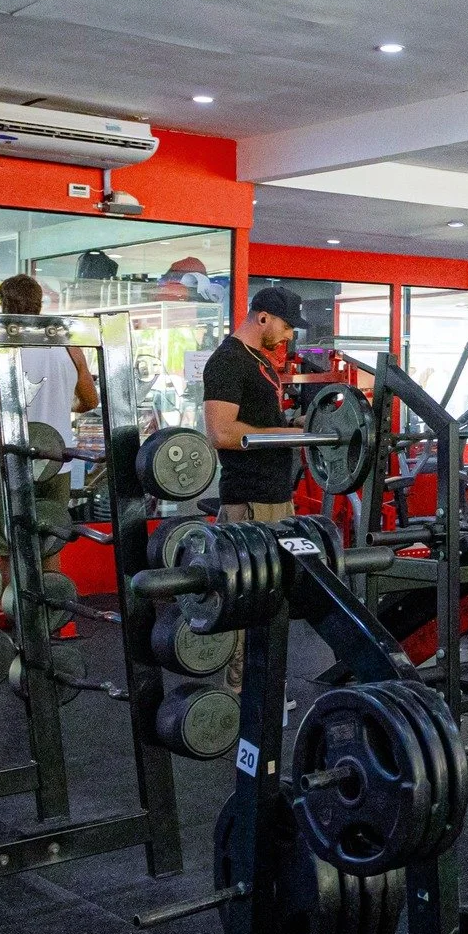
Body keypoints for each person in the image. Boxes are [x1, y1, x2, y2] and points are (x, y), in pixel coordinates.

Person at [203, 286, 308, 687]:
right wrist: (290, 434)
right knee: (247, 600)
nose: (289, 335)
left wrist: (295, 426)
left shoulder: (258, 361)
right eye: (286, 326)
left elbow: (261, 424)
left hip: (275, 496)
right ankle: (237, 698)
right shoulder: (228, 361)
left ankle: (262, 695)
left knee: (271, 599)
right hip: (248, 498)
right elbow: (221, 433)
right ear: (263, 317)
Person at [0, 274, 101, 492]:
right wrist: (59, 405)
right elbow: (90, 402)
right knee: (52, 515)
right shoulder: (71, 350)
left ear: (3, 305)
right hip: (55, 465)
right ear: (39, 304)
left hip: (4, 465)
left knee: (1, 517)